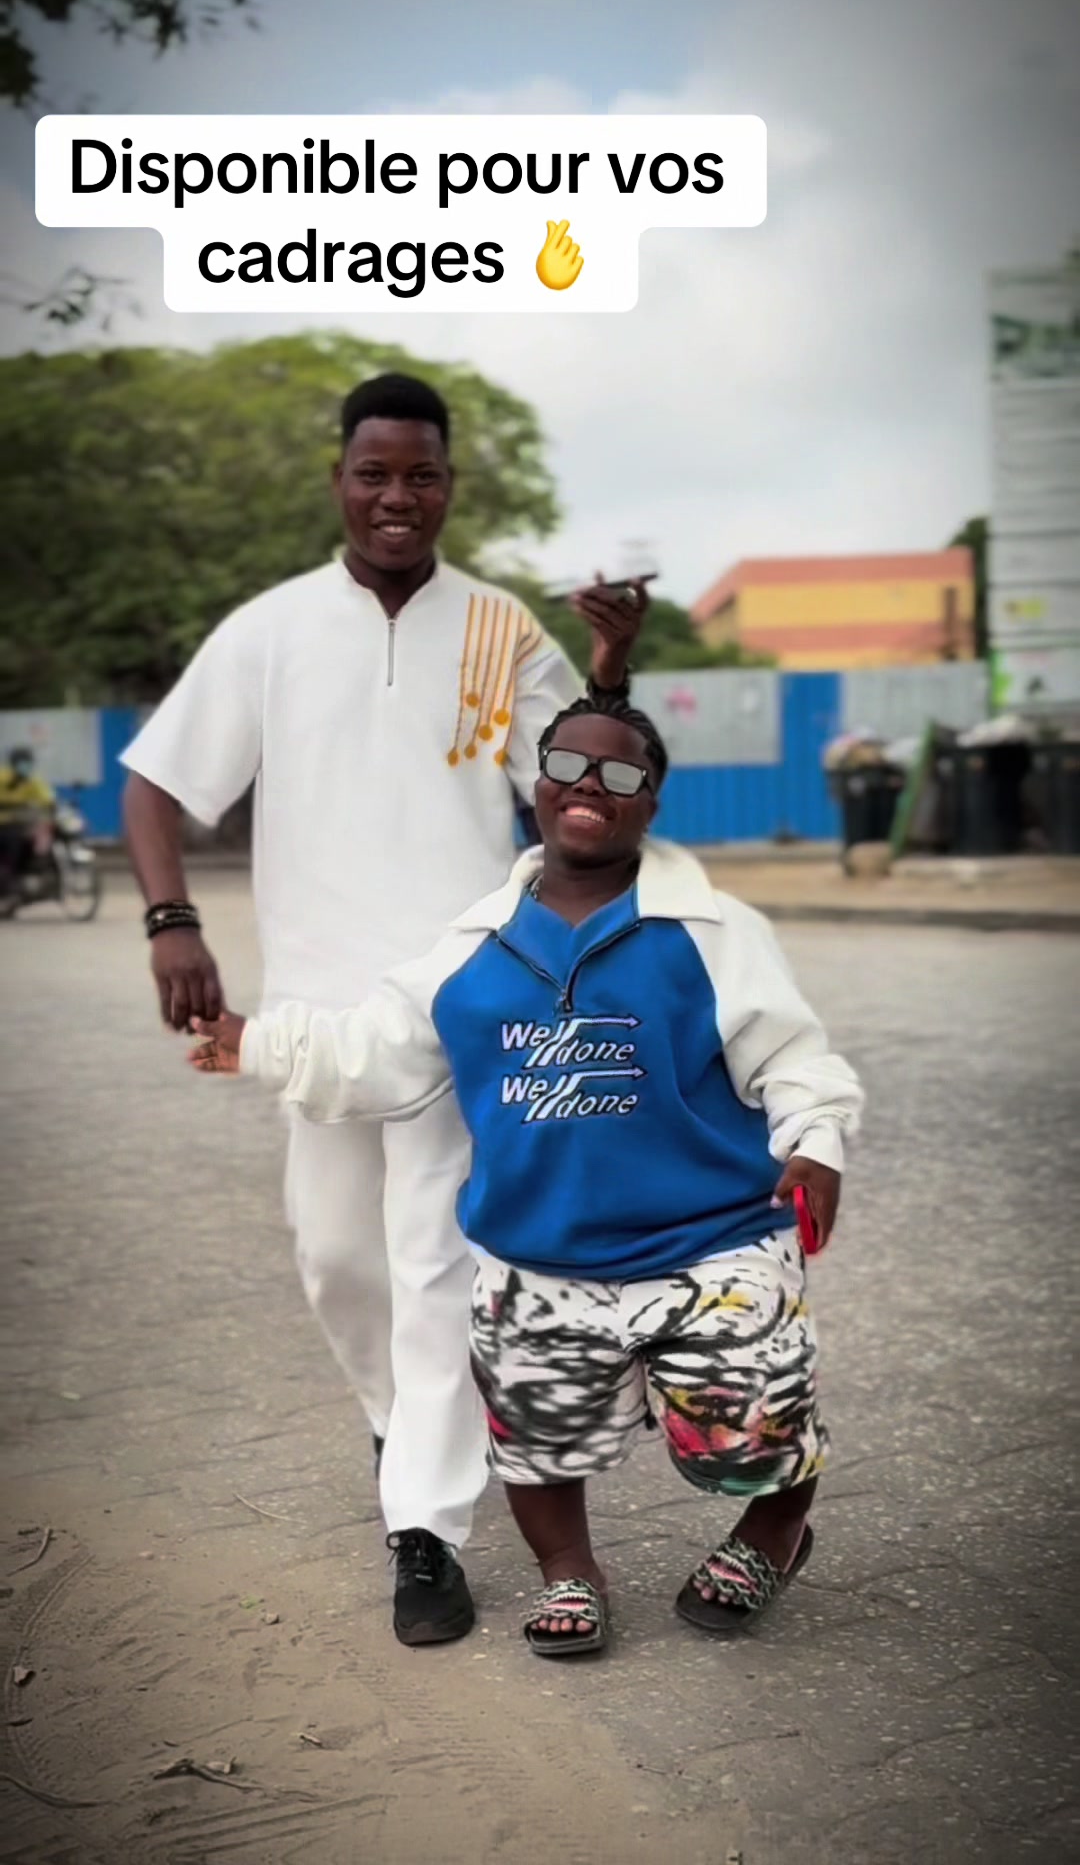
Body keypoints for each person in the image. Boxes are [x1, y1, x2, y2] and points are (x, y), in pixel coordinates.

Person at [120, 372, 646, 1646]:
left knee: (433, 1267)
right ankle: (396, 1420)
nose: (397, 496)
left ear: (449, 486)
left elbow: (580, 778)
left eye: (422, 474)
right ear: (341, 482)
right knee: (336, 1258)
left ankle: (426, 1531)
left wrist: (612, 664)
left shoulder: (502, 629)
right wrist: (171, 919)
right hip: (316, 1013)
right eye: (375, 473)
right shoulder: (272, 629)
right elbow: (155, 782)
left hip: (464, 1000)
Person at [186, 698, 864, 1658]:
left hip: (711, 1242)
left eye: (621, 774)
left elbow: (792, 1058)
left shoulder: (714, 931)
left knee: (758, 1429)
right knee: (536, 1443)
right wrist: (253, 1043)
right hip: (538, 1256)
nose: (591, 786)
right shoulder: (470, 948)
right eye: (567, 765)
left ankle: (772, 1536)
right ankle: (569, 1571)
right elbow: (371, 1053)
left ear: (651, 802)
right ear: (536, 784)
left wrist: (815, 1143)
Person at [0, 746, 56, 904]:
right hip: (3, 825)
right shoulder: (2, 778)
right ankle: (9, 879)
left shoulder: (31, 780)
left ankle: (35, 872)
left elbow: (45, 795)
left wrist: (51, 805)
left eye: (28, 763)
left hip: (20, 824)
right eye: (22, 763)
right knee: (12, 842)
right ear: (13, 763)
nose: (26, 766)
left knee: (39, 836)